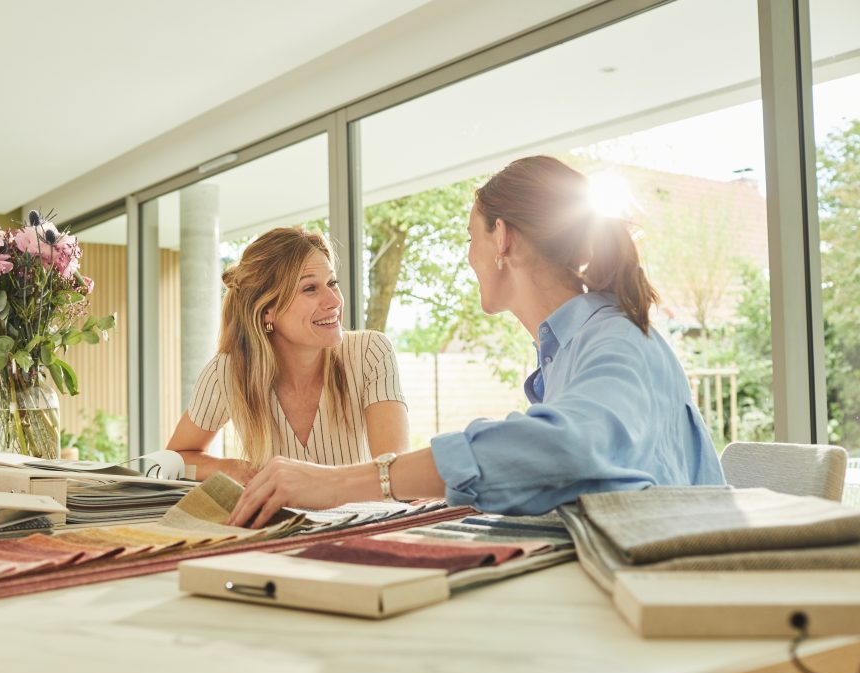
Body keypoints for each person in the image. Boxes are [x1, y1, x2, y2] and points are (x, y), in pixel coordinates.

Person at [230, 156, 726, 528]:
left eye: (472, 237)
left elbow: (561, 447)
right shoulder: (570, 351)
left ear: (502, 238)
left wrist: (338, 483)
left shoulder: (615, 341)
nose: (469, 256)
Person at [166, 227, 410, 483]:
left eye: (332, 283)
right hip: (275, 524)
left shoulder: (370, 352)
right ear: (267, 310)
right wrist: (234, 470)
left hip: (362, 521)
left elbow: (393, 473)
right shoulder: (228, 372)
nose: (334, 301)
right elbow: (176, 458)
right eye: (309, 289)